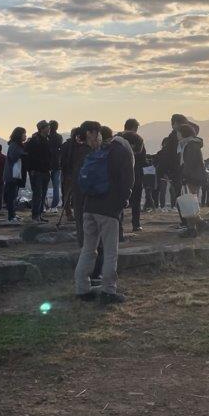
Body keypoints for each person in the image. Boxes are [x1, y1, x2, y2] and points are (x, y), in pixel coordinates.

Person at [74, 120, 134, 304]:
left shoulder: (96, 152)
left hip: (89, 207)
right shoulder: (119, 151)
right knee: (110, 251)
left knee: (88, 249)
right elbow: (128, 181)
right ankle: (109, 291)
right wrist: (122, 201)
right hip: (108, 209)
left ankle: (82, 288)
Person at [177, 123, 205, 237]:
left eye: (178, 133)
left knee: (189, 202)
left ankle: (192, 228)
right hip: (194, 176)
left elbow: (190, 163)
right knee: (191, 201)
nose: (177, 135)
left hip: (191, 177)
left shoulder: (190, 145)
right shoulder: (191, 144)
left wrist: (185, 175)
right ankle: (199, 223)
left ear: (183, 133)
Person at [122, 119, 146, 232]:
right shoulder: (138, 139)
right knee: (136, 200)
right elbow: (142, 158)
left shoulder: (118, 139)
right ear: (135, 128)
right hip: (136, 173)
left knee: (120, 200)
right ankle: (136, 224)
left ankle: (119, 226)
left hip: (121, 174)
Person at [25, 120, 52, 222]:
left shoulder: (47, 140)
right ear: (42, 129)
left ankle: (39, 214)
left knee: (43, 194)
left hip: (45, 171)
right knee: (37, 193)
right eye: (47, 127)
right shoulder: (33, 141)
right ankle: (35, 215)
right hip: (36, 171)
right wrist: (31, 169)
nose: (49, 129)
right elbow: (28, 156)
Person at [3, 127, 27, 223]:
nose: (25, 135)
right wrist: (24, 154)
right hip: (12, 175)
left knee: (14, 195)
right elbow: (14, 157)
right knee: (11, 195)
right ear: (19, 135)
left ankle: (13, 214)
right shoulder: (14, 145)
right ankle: (11, 216)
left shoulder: (17, 145)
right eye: (24, 134)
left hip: (15, 174)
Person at [60, 128, 80, 221]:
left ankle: (69, 213)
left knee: (67, 194)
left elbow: (62, 160)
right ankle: (73, 213)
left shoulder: (65, 145)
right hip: (73, 173)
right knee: (75, 195)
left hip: (67, 173)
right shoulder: (80, 146)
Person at [48, 120, 63, 211]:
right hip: (56, 164)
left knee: (44, 186)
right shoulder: (59, 137)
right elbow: (60, 149)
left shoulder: (47, 137)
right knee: (56, 186)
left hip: (47, 164)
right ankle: (54, 206)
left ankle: (43, 206)